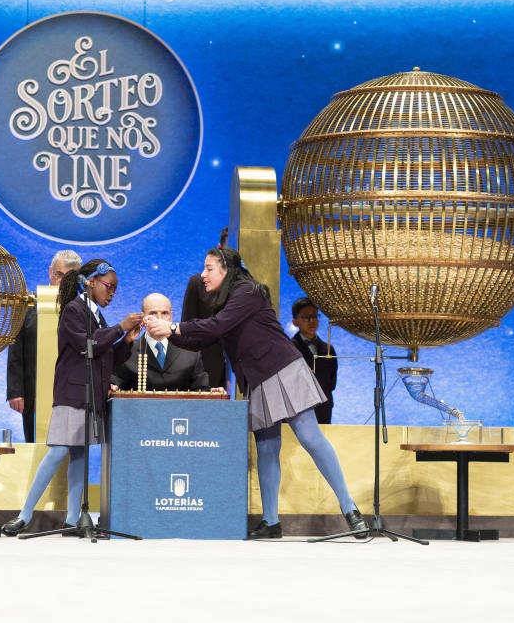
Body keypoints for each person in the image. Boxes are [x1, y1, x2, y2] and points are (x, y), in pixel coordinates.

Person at [144, 247, 368, 539]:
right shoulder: (224, 298)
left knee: (310, 438)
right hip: (256, 379)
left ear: (225, 268)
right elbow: (203, 337)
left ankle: (351, 510)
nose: (203, 274)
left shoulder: (246, 291)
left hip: (282, 369)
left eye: (209, 268)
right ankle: (271, 522)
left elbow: (218, 325)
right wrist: (160, 335)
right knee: (266, 448)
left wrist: (172, 326)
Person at [1, 260, 143, 536]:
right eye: (109, 287)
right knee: (57, 452)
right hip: (72, 393)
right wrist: (119, 329)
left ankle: (72, 519)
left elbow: (106, 357)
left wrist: (125, 342)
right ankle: (24, 515)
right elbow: (86, 346)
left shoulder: (96, 316)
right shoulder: (73, 310)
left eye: (115, 289)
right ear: (91, 282)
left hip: (90, 394)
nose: (112, 293)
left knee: (80, 456)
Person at [6, 250, 82, 442]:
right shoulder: (29, 304)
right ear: (50, 272)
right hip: (33, 394)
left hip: (72, 395)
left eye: (70, 278)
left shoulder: (83, 307)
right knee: (35, 445)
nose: (63, 282)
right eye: (59, 275)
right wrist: (16, 392)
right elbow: (15, 350)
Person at [112, 293, 210, 392]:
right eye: (153, 313)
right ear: (143, 317)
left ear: (171, 317)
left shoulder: (191, 351)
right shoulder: (125, 352)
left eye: (164, 313)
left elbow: (203, 391)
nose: (159, 319)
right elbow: (113, 388)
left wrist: (215, 393)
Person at [181, 227, 229, 389]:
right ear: (219, 249)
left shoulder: (249, 287)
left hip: (242, 366)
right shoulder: (198, 283)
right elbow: (187, 329)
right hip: (206, 367)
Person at [290, 297, 337, 424]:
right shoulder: (288, 349)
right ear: (295, 322)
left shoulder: (329, 350)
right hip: (298, 410)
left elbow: (331, 383)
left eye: (314, 316)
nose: (311, 321)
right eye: (306, 317)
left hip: (323, 410)